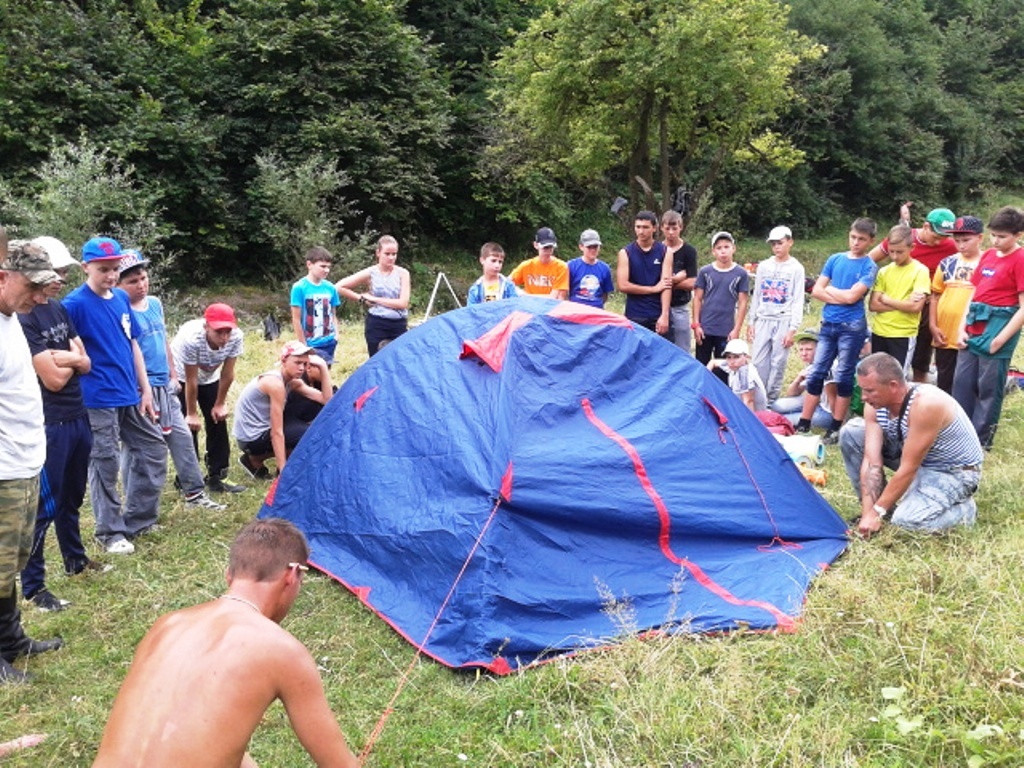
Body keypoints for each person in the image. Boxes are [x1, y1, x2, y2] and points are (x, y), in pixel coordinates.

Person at [92, 518, 359, 768]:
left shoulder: (166, 624)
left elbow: (187, 730)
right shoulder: (282, 651)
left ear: (228, 575)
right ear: (291, 576)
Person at [62, 237, 168, 555]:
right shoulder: (73, 305)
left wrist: (145, 389)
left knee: (153, 449)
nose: (110, 275)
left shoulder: (121, 300)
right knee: (104, 463)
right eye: (103, 269)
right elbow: (68, 350)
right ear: (86, 267)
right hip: (97, 398)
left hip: (130, 394)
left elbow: (132, 344)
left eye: (113, 269)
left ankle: (138, 519)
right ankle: (109, 531)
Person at [18, 237, 107, 613]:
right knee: (45, 505)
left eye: (66, 272)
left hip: (77, 414)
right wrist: (72, 359)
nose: (61, 279)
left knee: (73, 495)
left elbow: (85, 362)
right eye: (57, 272)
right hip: (50, 421)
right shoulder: (24, 317)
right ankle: (35, 587)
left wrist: (66, 357)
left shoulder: (57, 309)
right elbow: (53, 380)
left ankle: (75, 559)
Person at [0, 235, 65, 683]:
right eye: (34, 286)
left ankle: (11, 640)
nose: (41, 296)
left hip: (24, 462)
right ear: (3, 276)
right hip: (2, 469)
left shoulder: (12, 320)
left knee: (11, 563)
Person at [118, 251, 225, 511]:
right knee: (140, 451)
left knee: (182, 438)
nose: (141, 285)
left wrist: (174, 374)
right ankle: (135, 505)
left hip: (165, 383)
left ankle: (194, 494)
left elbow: (162, 339)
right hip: (139, 388)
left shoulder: (154, 303)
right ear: (119, 284)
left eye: (143, 278)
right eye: (133, 281)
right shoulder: (120, 309)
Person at [839, 352, 983, 537]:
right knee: (851, 432)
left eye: (870, 391)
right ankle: (886, 510)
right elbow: (871, 461)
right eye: (863, 390)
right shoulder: (873, 405)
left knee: (907, 522)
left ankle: (965, 512)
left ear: (893, 386)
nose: (863, 398)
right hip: (915, 457)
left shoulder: (926, 405)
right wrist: (869, 513)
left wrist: (876, 513)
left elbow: (908, 468)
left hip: (952, 470)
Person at [796, 218, 878, 444]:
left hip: (852, 328)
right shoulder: (835, 259)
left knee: (843, 374)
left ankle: (835, 425)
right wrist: (840, 294)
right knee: (817, 371)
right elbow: (817, 291)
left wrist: (831, 292)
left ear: (871, 241)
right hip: (828, 324)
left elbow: (854, 296)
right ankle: (804, 422)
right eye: (853, 237)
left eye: (862, 239)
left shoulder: (869, 266)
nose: (856, 243)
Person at [951, 206, 1024, 450]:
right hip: (974, 322)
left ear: (1018, 235)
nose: (996, 240)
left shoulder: (1020, 259)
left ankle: (981, 441)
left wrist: (1000, 340)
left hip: (1000, 324)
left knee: (988, 388)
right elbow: (973, 293)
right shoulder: (989, 255)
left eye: (1002, 236)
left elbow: (1023, 308)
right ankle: (960, 434)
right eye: (993, 235)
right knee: (962, 382)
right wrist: (961, 327)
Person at [869, 207, 957, 382]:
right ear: (925, 226)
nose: (940, 242)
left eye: (945, 237)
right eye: (936, 236)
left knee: (921, 355)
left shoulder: (950, 246)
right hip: (895, 303)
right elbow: (869, 260)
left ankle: (917, 390)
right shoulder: (902, 240)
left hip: (927, 301)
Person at [171, 304, 247, 494]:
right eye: (219, 332)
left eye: (228, 331)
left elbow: (228, 373)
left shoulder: (236, 336)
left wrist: (220, 403)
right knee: (188, 428)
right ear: (207, 327)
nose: (224, 337)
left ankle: (217, 477)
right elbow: (191, 379)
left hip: (210, 377)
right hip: (182, 377)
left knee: (217, 420)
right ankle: (187, 479)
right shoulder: (192, 339)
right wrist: (191, 413)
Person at [234, 341, 333, 478]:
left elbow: (327, 401)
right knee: (307, 434)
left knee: (305, 427)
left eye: (305, 364)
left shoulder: (292, 382)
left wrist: (322, 367)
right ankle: (256, 460)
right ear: (284, 361)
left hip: (258, 432)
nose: (302, 368)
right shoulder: (275, 384)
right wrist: (283, 471)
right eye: (297, 363)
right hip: (251, 438)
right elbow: (277, 432)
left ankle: (255, 461)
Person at [748, 225, 805, 402]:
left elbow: (797, 299)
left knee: (778, 362)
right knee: (758, 361)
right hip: (764, 317)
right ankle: (758, 397)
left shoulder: (796, 268)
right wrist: (752, 321)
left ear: (790, 242)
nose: (777, 247)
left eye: (780, 243)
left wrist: (792, 328)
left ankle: (771, 399)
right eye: (773, 244)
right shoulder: (764, 266)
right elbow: (756, 294)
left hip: (783, 318)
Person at [929, 216, 984, 393]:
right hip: (945, 333)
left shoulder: (987, 264)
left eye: (966, 240)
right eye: (957, 240)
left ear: (980, 238)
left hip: (972, 334)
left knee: (968, 385)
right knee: (945, 382)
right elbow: (935, 295)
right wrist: (932, 325)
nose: (961, 245)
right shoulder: (947, 263)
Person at [867, 225, 930, 371]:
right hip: (879, 331)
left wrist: (887, 300)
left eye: (900, 252)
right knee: (877, 376)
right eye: (891, 252)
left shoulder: (920, 271)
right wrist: (904, 303)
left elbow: (915, 307)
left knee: (897, 378)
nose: (895, 256)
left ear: (912, 248)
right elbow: (873, 305)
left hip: (903, 334)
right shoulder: (884, 271)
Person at [335, 235, 411, 356]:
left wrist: (374, 299)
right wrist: (361, 299)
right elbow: (339, 287)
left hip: (398, 324)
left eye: (394, 254)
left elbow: (403, 303)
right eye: (387, 254)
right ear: (378, 253)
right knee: (377, 361)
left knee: (399, 360)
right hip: (377, 324)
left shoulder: (403, 273)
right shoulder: (371, 272)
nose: (391, 258)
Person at [692, 231, 749, 364]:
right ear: (713, 251)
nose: (723, 251)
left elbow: (743, 302)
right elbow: (697, 299)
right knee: (701, 365)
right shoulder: (705, 272)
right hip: (705, 329)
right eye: (719, 248)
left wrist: (736, 329)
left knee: (724, 368)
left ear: (733, 248)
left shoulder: (741, 274)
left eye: (726, 247)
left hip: (726, 330)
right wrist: (696, 325)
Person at [616, 211, 673, 336]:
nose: (641, 231)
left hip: (658, 314)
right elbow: (623, 285)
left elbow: (666, 285)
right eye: (638, 227)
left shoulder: (665, 252)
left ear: (654, 228)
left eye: (645, 227)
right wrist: (652, 289)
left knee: (662, 355)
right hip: (635, 315)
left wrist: (665, 315)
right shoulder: (625, 253)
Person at [770, 329, 837, 429]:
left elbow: (834, 401)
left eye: (809, 349)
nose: (804, 353)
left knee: (782, 419)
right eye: (801, 349)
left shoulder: (829, 367)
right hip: (817, 403)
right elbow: (791, 394)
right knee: (777, 406)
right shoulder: (811, 365)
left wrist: (837, 424)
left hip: (827, 412)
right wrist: (799, 378)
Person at [290, 246, 341, 365]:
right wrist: (303, 344)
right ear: (309, 264)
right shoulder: (299, 287)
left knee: (325, 376)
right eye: (322, 266)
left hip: (329, 341)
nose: (326, 270)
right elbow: (296, 319)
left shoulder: (331, 288)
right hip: (310, 343)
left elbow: (333, 313)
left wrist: (336, 336)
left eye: (328, 267)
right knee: (310, 377)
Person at [662, 210, 698, 352]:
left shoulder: (689, 251)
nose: (671, 232)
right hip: (658, 307)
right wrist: (678, 278)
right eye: (667, 228)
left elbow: (693, 282)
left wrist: (669, 282)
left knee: (683, 349)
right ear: (661, 228)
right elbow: (654, 282)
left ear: (681, 227)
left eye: (674, 228)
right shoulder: (658, 249)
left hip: (680, 307)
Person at [705, 338, 767, 412]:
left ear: (746, 357)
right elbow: (713, 362)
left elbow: (748, 401)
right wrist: (705, 378)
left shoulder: (745, 373)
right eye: (729, 357)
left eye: (736, 357)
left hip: (755, 414)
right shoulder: (733, 365)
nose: (732, 361)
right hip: (738, 406)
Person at [509, 227, 569, 300]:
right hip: (529, 307)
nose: (549, 251)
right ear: (536, 245)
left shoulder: (561, 267)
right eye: (545, 247)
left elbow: (557, 298)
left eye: (551, 247)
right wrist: (518, 292)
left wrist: (525, 295)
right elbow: (506, 283)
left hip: (550, 308)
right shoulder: (526, 265)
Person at [567, 229, 614, 308]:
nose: (593, 250)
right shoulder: (571, 266)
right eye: (589, 247)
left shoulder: (605, 268)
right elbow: (565, 292)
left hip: (596, 311)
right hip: (575, 310)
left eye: (595, 247)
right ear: (581, 247)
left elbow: (605, 295)